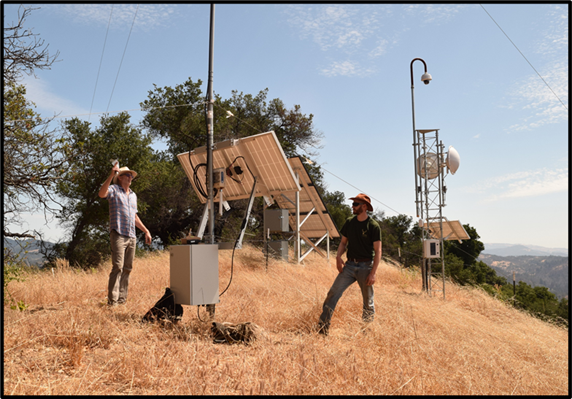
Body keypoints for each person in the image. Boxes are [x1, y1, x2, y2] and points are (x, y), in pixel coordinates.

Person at [317, 193, 382, 335]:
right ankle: (322, 329)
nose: (352, 206)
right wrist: (338, 257)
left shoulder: (373, 226)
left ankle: (366, 333)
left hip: (366, 267)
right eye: (353, 204)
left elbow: (378, 251)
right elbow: (343, 242)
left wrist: (373, 273)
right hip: (349, 266)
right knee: (333, 293)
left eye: (356, 204)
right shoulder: (349, 222)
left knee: (368, 302)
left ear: (364, 207)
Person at [98, 163, 152, 306]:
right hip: (118, 233)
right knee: (118, 267)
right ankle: (113, 302)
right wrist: (111, 175)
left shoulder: (133, 195)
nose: (130, 177)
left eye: (131, 176)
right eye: (127, 175)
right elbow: (101, 194)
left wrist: (146, 230)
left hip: (131, 235)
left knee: (127, 268)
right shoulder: (114, 190)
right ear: (120, 178)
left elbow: (134, 217)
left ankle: (122, 301)